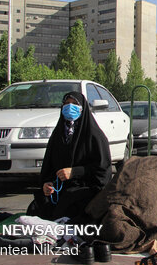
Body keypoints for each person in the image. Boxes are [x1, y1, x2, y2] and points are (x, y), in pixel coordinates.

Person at [28, 91, 112, 221]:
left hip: (84, 188)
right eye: (66, 103)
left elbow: (102, 170)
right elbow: (49, 166)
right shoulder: (58, 135)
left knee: (67, 210)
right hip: (60, 189)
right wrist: (47, 184)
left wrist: (75, 172)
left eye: (74, 104)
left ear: (82, 108)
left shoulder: (94, 136)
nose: (69, 107)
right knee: (35, 208)